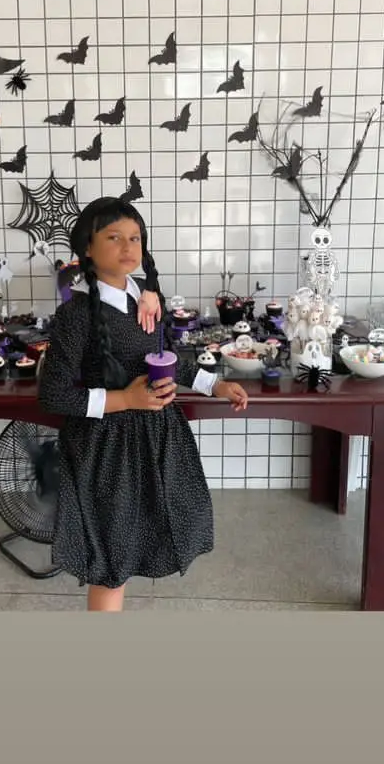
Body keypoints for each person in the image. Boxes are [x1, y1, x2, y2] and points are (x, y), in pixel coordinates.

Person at [37, 196, 248, 611]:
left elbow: (164, 360)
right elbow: (54, 395)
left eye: (135, 238)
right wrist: (125, 398)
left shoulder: (144, 297)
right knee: (111, 559)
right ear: (87, 248)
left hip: (155, 440)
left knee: (141, 537)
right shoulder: (76, 314)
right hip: (106, 450)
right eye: (113, 237)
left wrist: (215, 385)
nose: (127, 247)